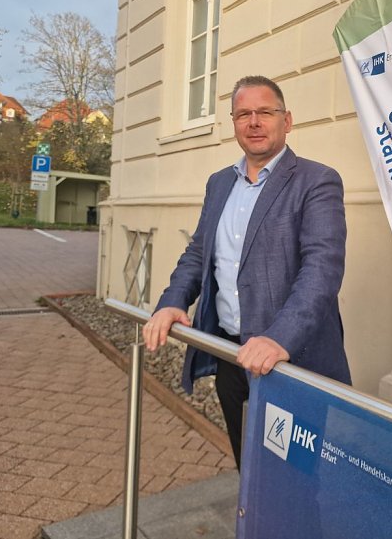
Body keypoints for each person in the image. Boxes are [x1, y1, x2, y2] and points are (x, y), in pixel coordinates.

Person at [143, 75, 351, 470]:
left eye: (265, 112)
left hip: (290, 362)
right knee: (249, 469)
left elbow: (321, 270)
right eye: (243, 114)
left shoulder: (317, 181)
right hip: (232, 356)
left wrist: (278, 338)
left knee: (293, 480)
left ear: (286, 121)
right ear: (234, 123)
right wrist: (172, 303)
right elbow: (199, 253)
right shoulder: (220, 183)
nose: (254, 122)